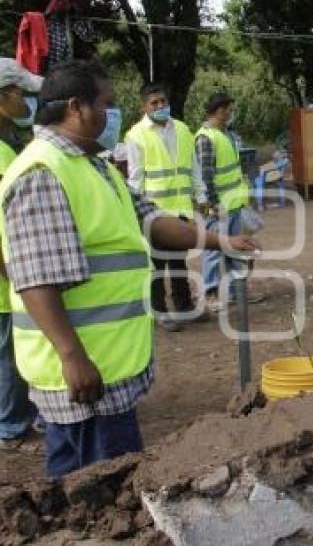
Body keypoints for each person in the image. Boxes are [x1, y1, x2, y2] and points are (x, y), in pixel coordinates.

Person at [0, 61, 259, 476]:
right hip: (86, 373)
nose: (112, 116)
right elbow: (36, 278)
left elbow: (153, 219)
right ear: (76, 107)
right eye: (108, 104)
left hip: (110, 365)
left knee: (98, 474)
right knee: (100, 483)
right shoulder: (44, 172)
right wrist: (73, 357)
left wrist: (220, 240)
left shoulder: (94, 165)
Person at [125, 83, 204, 331]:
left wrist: (200, 197)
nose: (160, 106)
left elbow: (193, 168)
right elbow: (135, 178)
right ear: (144, 106)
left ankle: (184, 306)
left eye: (163, 101)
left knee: (179, 261)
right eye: (154, 103)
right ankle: (160, 310)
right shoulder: (136, 135)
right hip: (154, 212)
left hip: (180, 209)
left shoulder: (182, 130)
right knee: (157, 264)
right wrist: (135, 211)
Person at [0, 58, 41, 450]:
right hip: (4, 277)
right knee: (9, 357)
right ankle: (12, 428)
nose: (27, 100)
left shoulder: (8, 145)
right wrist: (11, 273)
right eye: (21, 94)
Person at [195, 92, 262, 312]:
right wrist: (212, 206)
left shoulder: (227, 135)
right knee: (214, 252)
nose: (230, 114)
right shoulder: (206, 138)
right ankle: (210, 293)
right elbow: (205, 176)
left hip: (234, 204)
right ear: (217, 111)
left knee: (236, 251)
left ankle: (237, 291)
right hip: (219, 208)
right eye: (227, 110)